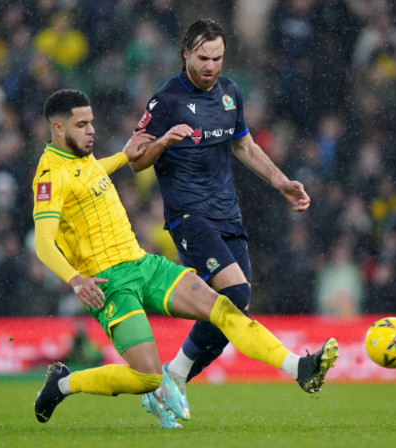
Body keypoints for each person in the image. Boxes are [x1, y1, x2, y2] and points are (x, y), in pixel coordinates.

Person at [32, 88, 338, 429]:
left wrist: (122, 157)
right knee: (146, 378)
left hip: (143, 263)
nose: (91, 130)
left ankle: (299, 368)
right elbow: (43, 242)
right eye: (82, 124)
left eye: (91, 122)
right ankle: (62, 383)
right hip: (109, 283)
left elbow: (87, 177)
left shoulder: (81, 160)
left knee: (224, 307)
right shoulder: (49, 177)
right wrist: (76, 280)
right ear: (58, 128)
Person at [131, 19, 312, 420]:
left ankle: (173, 378)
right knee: (237, 297)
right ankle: (177, 376)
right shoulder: (166, 102)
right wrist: (162, 142)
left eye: (217, 58)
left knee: (237, 303)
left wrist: (281, 182)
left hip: (228, 214)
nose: (211, 66)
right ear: (185, 54)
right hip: (189, 216)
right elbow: (136, 162)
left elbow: (243, 145)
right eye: (203, 58)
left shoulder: (230, 93)